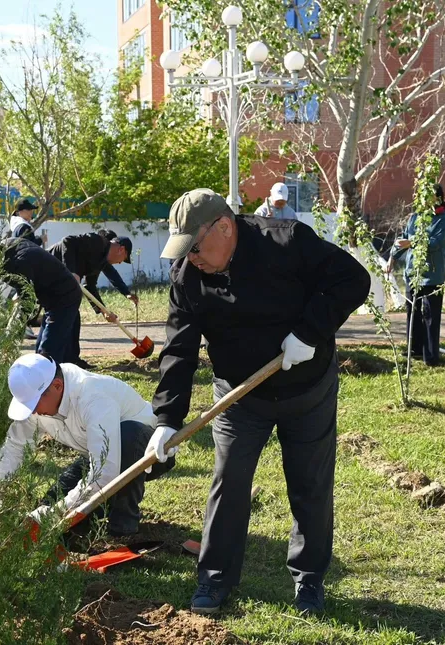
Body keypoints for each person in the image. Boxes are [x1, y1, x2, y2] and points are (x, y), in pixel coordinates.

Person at [147, 188, 370, 616]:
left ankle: (309, 582)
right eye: (183, 250)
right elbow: (179, 350)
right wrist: (165, 419)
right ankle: (213, 580)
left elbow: (352, 280)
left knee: (310, 485)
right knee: (229, 482)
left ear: (225, 227)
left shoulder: (286, 242)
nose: (190, 257)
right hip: (238, 396)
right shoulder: (187, 277)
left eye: (194, 247)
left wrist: (309, 331)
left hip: (307, 389)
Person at [0, 353, 174, 535]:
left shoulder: (92, 396)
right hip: (97, 456)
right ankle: (89, 521)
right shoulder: (38, 401)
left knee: (128, 435)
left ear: (57, 386)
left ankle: (123, 527)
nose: (32, 412)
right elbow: (16, 446)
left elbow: (105, 472)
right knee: (51, 503)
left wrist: (58, 512)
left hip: (152, 451)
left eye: (33, 404)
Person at [0, 237, 82, 363]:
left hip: (65, 297)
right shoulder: (8, 248)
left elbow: (27, 304)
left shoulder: (19, 262)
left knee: (47, 352)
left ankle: (54, 379)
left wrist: (11, 336)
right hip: (49, 296)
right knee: (40, 351)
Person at [48, 231, 137, 369]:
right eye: (123, 258)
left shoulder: (99, 262)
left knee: (72, 315)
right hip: (49, 268)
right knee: (64, 315)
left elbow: (89, 286)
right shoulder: (97, 242)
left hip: (59, 279)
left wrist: (103, 311)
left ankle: (71, 360)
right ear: (121, 249)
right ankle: (54, 360)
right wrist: (71, 271)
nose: (119, 263)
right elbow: (68, 240)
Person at [386, 184, 445, 366]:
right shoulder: (415, 217)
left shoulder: (443, 220)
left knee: (430, 315)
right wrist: (392, 258)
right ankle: (413, 350)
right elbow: (402, 239)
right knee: (412, 312)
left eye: (427, 196)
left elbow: (435, 243)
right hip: (412, 274)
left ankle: (431, 356)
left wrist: (411, 242)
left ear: (437, 198)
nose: (422, 199)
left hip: (432, 275)